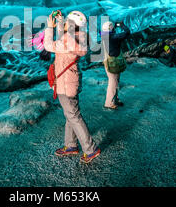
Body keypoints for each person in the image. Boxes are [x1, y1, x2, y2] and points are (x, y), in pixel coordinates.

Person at [44, 10, 101, 164]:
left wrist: (50, 27)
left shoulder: (68, 40)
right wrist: (62, 21)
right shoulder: (79, 37)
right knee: (71, 113)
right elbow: (65, 36)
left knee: (73, 115)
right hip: (72, 80)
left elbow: (48, 45)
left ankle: (90, 149)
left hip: (65, 82)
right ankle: (71, 145)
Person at [101, 21, 130, 110]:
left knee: (115, 81)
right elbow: (127, 32)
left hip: (108, 62)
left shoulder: (103, 35)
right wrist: (121, 25)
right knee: (113, 83)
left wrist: (114, 28)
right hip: (113, 63)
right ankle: (109, 103)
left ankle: (115, 99)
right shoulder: (113, 37)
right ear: (111, 28)